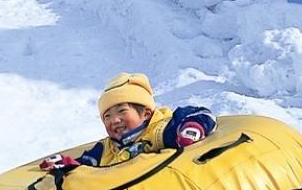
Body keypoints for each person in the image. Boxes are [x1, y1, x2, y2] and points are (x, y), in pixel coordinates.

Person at [40, 72, 216, 169]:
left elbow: (200, 114)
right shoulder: (106, 148)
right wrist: (68, 165)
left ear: (146, 113)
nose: (114, 120)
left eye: (122, 111)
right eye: (107, 116)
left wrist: (190, 129)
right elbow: (86, 166)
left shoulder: (160, 130)